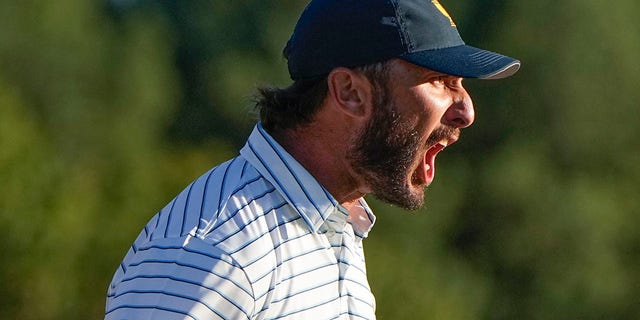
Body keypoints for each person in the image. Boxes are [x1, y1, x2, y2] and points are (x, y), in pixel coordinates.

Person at [105, 0, 520, 319]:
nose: (467, 110)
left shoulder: (334, 222)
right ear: (349, 92)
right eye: (440, 81)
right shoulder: (212, 252)